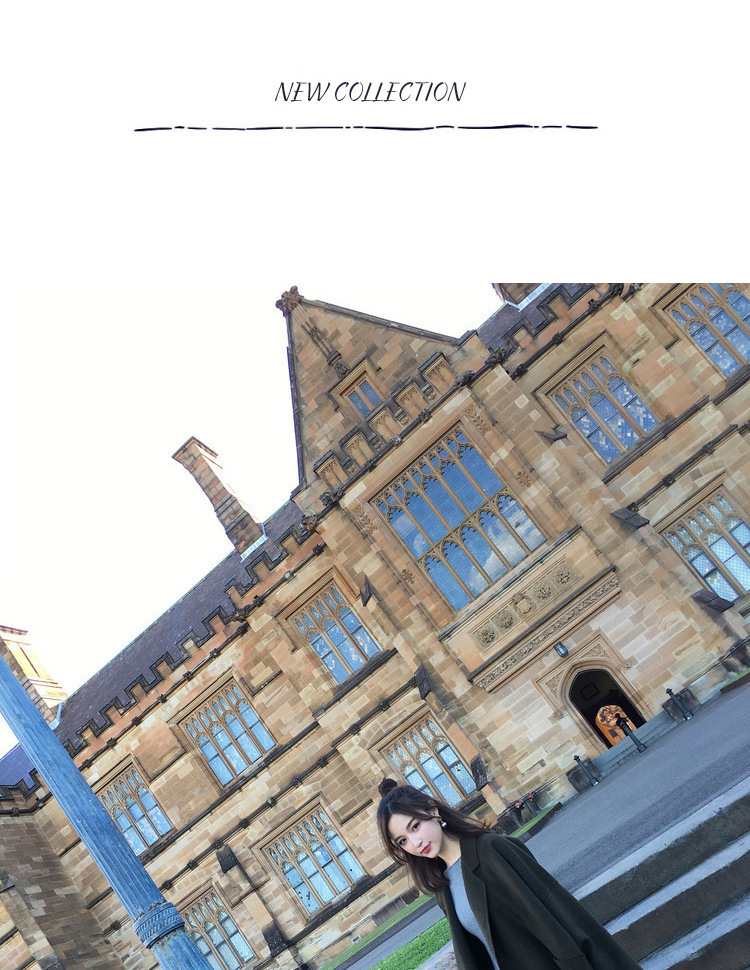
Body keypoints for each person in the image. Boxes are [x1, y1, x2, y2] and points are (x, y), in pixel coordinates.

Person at [377, 779, 642, 970]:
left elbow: (556, 916)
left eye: (415, 826)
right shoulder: (443, 888)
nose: (415, 843)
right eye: (403, 841)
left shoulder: (493, 850)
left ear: (432, 811)